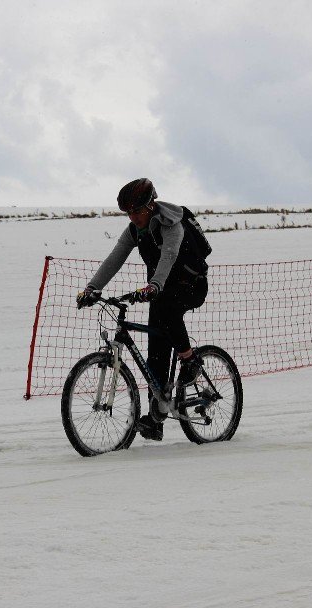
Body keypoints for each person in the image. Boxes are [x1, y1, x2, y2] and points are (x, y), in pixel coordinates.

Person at [76, 178, 211, 441]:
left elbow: (169, 255)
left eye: (136, 211)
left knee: (170, 313)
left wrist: (154, 285)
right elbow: (114, 258)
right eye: (128, 213)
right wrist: (92, 288)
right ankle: (156, 417)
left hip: (190, 285)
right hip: (160, 290)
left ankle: (190, 360)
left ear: (150, 206)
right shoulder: (134, 231)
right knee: (155, 356)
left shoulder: (171, 225)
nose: (133, 217)